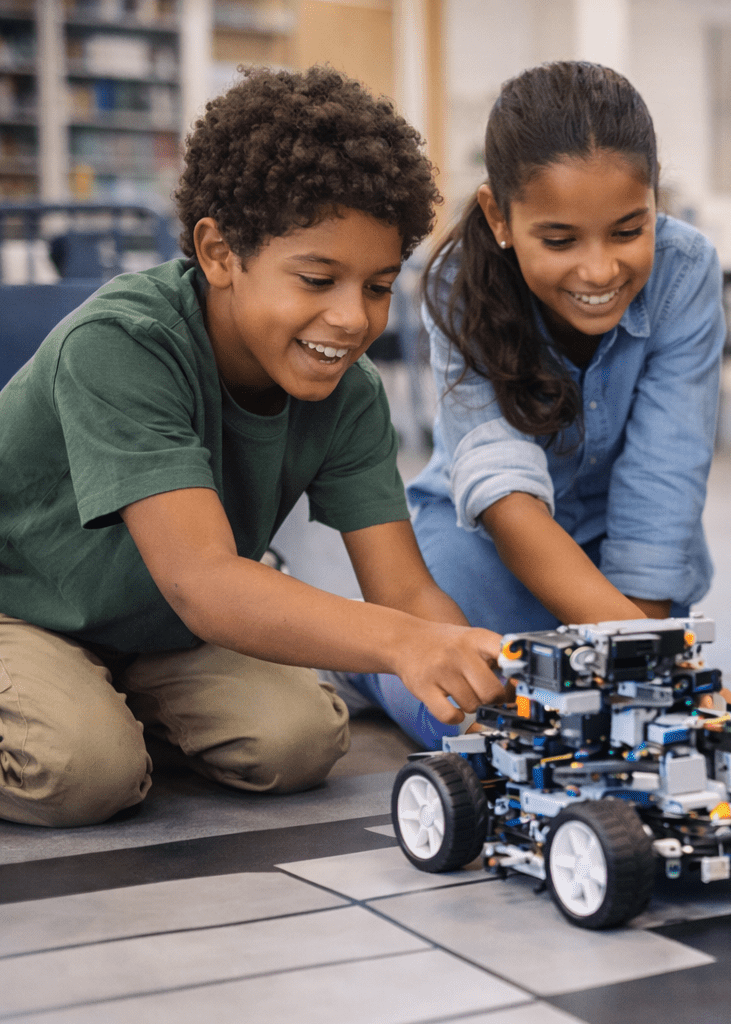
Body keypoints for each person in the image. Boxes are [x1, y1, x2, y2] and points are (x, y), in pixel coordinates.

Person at [0, 66, 508, 828]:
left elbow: (404, 596)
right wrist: (405, 645)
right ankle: (83, 719)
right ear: (218, 253)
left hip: (153, 633)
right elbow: (202, 581)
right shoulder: (121, 344)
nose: (350, 318)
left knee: (300, 741)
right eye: (316, 278)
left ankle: (100, 706)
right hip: (22, 610)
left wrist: (479, 690)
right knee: (82, 772)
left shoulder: (351, 394)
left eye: (376, 285)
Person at [342, 62, 726, 748]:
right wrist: (647, 662)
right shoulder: (459, 282)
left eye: (628, 230)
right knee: (472, 711)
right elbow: (504, 493)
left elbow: (665, 479)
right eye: (560, 240)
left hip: (620, 561)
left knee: (613, 721)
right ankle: (366, 667)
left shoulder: (687, 270)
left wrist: (637, 665)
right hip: (487, 541)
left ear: (655, 200)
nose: (600, 269)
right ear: (499, 217)